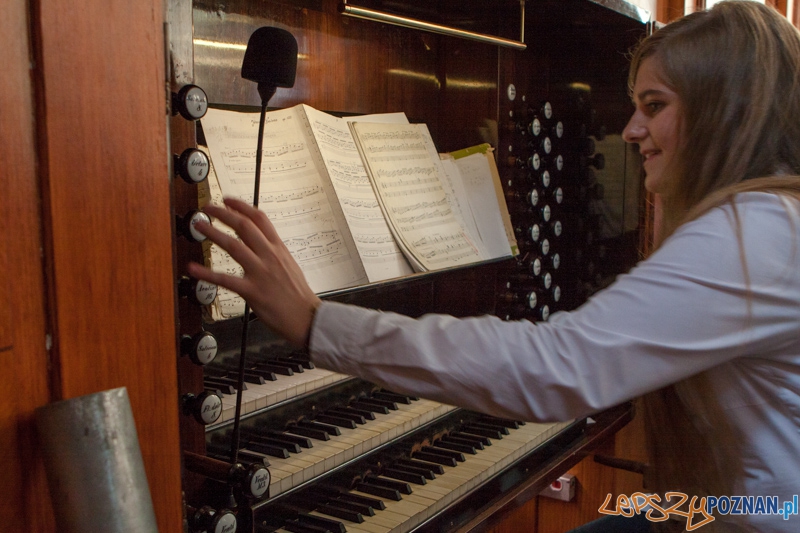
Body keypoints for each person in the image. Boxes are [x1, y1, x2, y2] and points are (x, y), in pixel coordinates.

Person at [188, 2, 800, 531]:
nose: (631, 128)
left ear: (726, 113)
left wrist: (316, 323)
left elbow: (559, 367)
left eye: (655, 104)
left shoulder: (754, 234)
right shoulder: (769, 217)